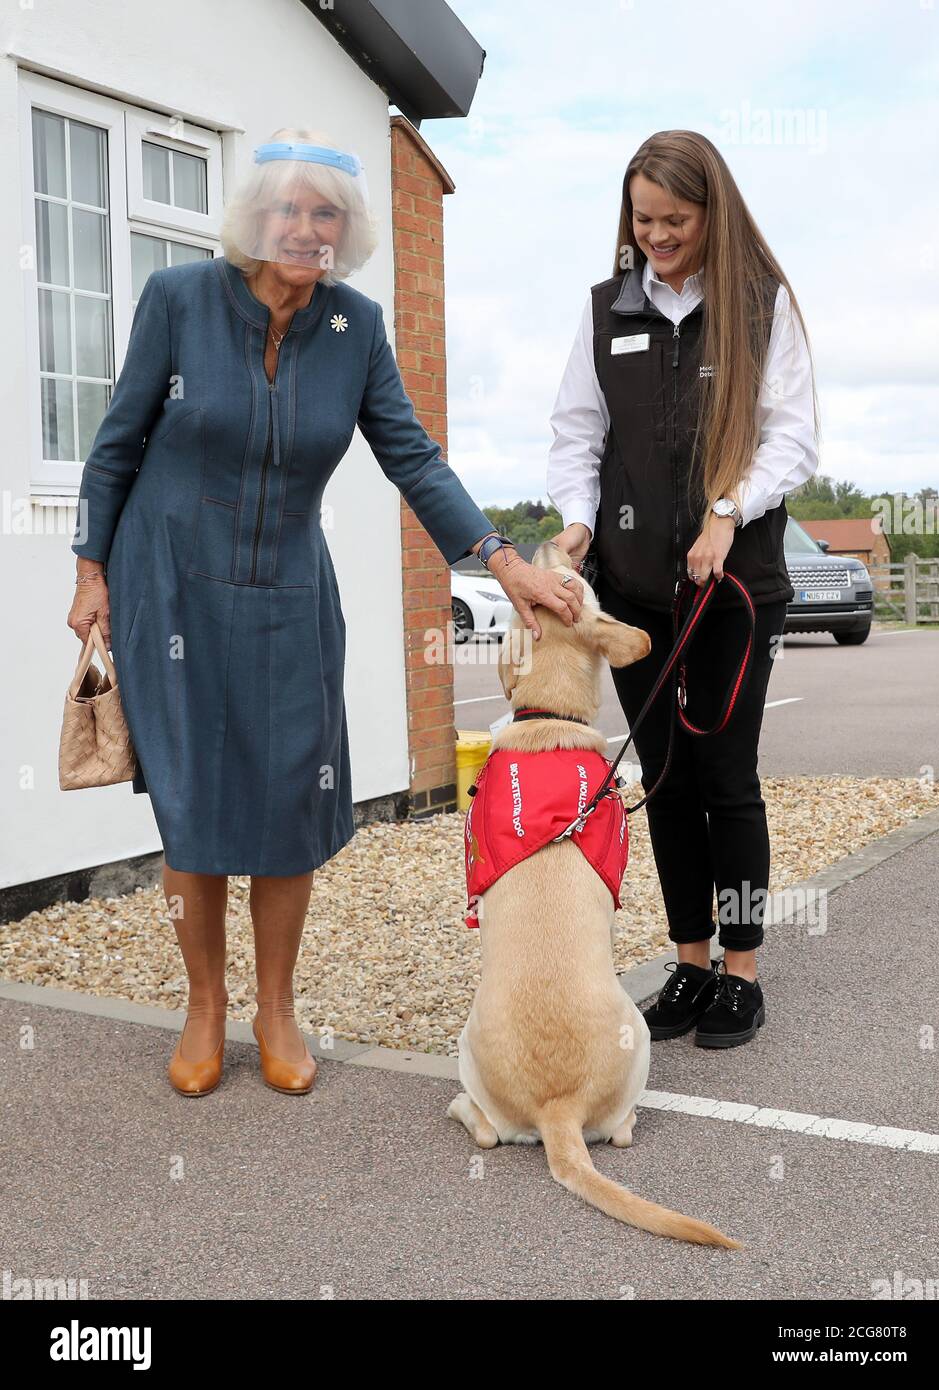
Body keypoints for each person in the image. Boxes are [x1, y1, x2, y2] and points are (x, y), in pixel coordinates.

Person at [67, 127, 584, 1097]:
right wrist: (91, 570)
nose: (306, 229)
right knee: (194, 804)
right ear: (255, 218)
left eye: (326, 216)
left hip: (288, 593)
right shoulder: (178, 300)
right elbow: (115, 444)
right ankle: (204, 1006)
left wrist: (503, 560)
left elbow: (413, 457)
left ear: (345, 235)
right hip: (169, 581)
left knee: (292, 797)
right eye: (289, 210)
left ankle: (277, 1007)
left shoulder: (353, 325)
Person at [548, 129, 819, 1049]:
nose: (655, 235)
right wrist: (576, 521)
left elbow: (791, 438)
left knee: (725, 776)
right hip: (631, 589)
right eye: (642, 218)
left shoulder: (757, 305)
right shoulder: (605, 311)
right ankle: (690, 963)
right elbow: (577, 436)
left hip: (734, 587)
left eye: (675, 219)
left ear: (712, 213)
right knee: (662, 776)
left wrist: (724, 510)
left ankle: (741, 972)